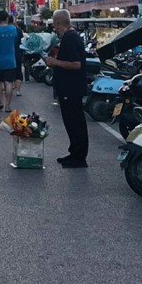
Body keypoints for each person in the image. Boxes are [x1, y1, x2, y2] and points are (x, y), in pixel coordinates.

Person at [45, 10, 89, 168]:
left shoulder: (70, 38)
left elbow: (76, 64)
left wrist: (54, 62)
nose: (54, 29)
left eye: (54, 25)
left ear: (58, 23)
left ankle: (79, 156)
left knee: (75, 121)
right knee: (71, 122)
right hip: (69, 88)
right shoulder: (70, 37)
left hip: (71, 88)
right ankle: (74, 152)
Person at [0, 11, 21, 112]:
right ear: (7, 18)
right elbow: (16, 39)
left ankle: (0, 102)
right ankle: (8, 106)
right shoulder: (13, 29)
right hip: (11, 60)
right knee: (9, 83)